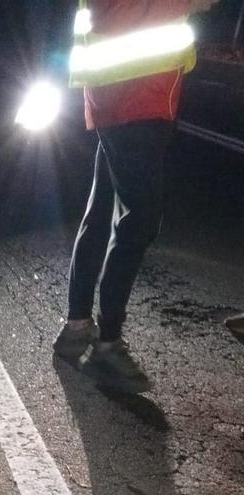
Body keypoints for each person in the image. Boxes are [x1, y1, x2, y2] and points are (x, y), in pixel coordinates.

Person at [53, 0, 221, 393]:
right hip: (133, 100)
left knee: (100, 212)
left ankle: (77, 327)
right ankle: (107, 346)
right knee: (141, 218)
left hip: (124, 96)